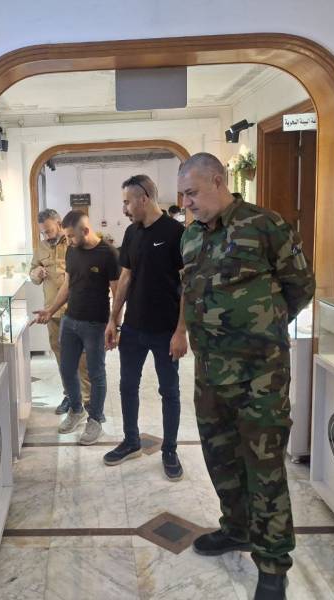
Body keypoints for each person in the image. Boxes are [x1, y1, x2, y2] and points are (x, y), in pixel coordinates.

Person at [177, 153, 315, 600]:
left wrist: (265, 327)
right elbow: (189, 292)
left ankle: (273, 565)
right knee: (221, 458)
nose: (186, 202)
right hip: (209, 374)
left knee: (264, 468)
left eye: (192, 193)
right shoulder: (191, 237)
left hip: (260, 375)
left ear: (218, 181)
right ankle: (235, 529)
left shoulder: (265, 225)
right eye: (183, 195)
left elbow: (301, 286)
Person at [102, 175, 187, 482]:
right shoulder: (131, 232)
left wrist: (181, 331)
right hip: (134, 329)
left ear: (144, 198)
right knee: (127, 386)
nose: (124, 208)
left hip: (166, 330)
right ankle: (131, 441)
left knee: (169, 391)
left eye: (127, 202)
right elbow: (125, 278)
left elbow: (187, 285)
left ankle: (170, 450)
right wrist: (113, 319)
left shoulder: (177, 233)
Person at [34, 211, 120, 445]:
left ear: (85, 230)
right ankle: (76, 409)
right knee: (66, 369)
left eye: (71, 236)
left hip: (95, 324)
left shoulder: (108, 254)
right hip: (70, 321)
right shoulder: (72, 250)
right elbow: (67, 285)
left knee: (95, 373)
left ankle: (95, 420)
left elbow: (117, 293)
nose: (69, 241)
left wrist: (115, 324)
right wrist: (51, 310)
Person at [29, 209, 91, 415]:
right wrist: (36, 273)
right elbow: (32, 274)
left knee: (82, 358)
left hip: (76, 310)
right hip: (53, 312)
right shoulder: (40, 248)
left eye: (49, 230)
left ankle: (88, 399)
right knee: (62, 358)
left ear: (58, 223)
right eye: (43, 232)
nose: (46, 236)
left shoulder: (74, 242)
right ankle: (70, 396)